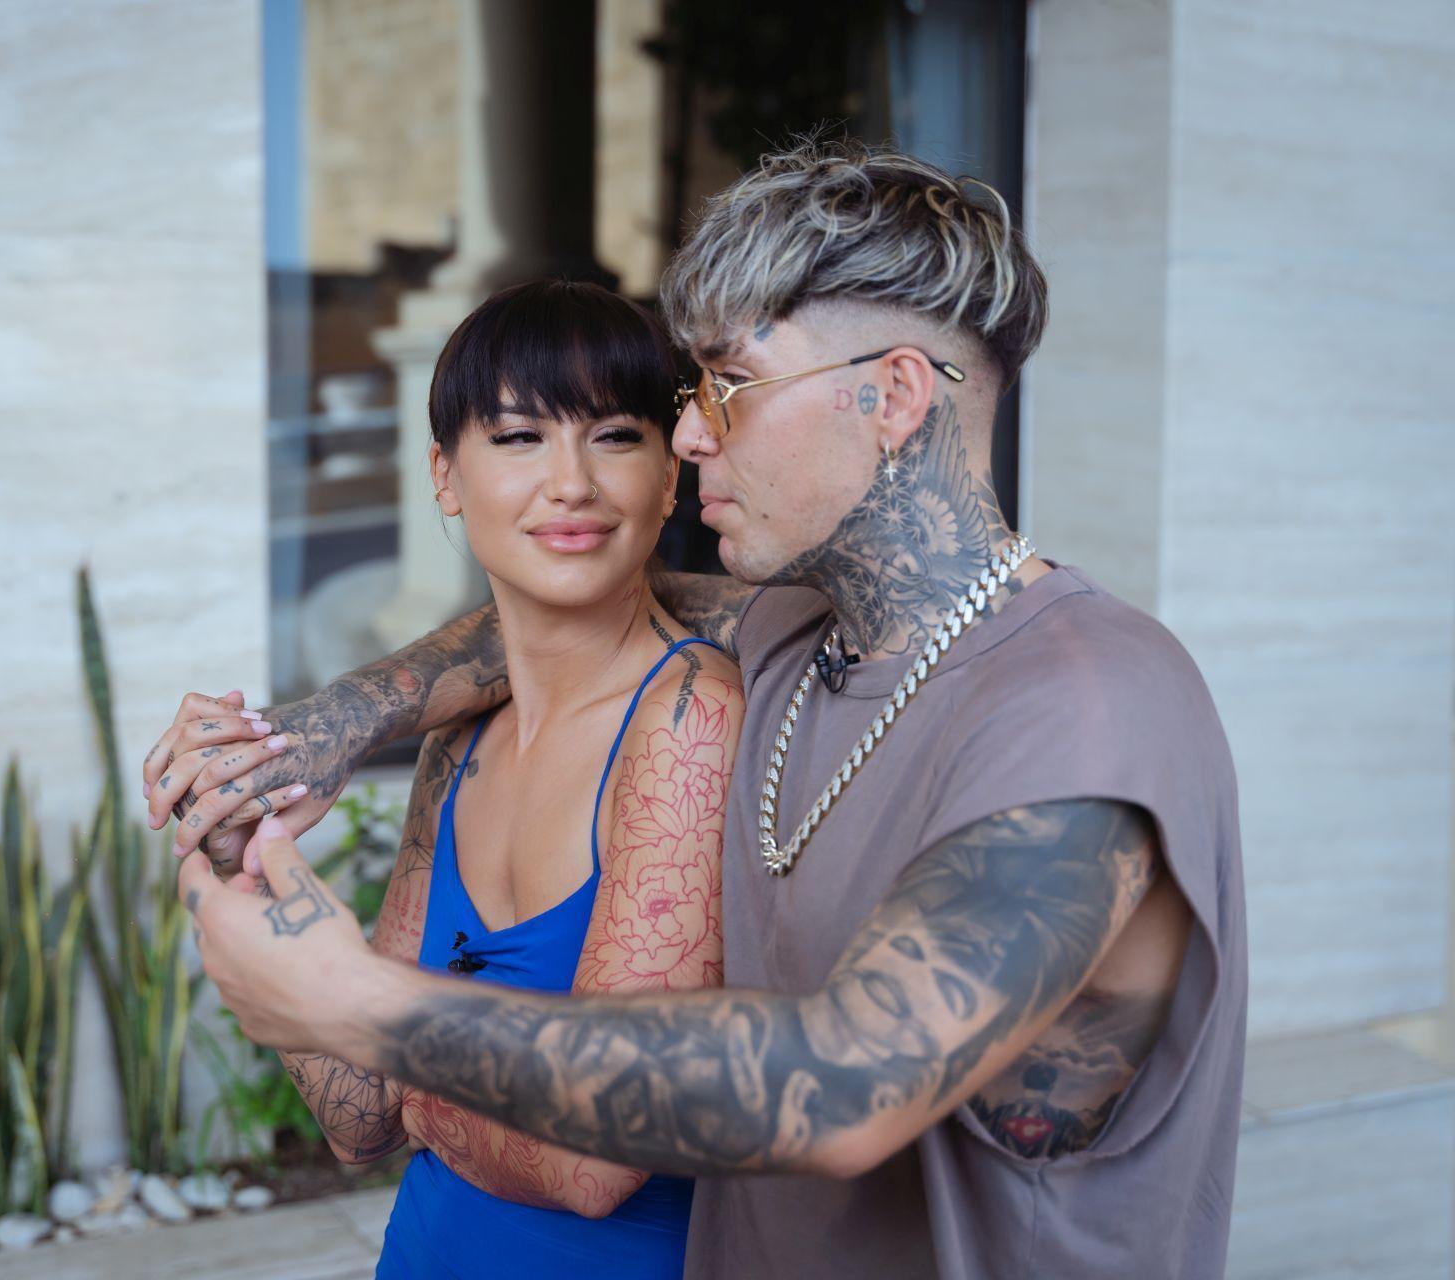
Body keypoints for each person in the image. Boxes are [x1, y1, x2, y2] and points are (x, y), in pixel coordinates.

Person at [150, 140, 1246, 1280]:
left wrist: (364, 1006)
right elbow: (569, 609)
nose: (687, 434)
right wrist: (321, 728)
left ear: (893, 396)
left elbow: (844, 1085)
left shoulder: (1090, 705)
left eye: (730, 385)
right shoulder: (794, 633)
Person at [146, 279, 745, 1277]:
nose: (571, 484)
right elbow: (363, 1120)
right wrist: (246, 865)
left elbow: (591, 1159)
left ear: (669, 473)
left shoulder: (691, 718)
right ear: (445, 476)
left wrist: (377, 1025)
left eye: (614, 436)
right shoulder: (461, 741)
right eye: (518, 438)